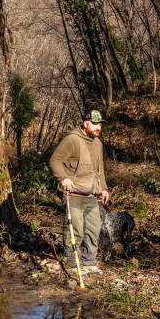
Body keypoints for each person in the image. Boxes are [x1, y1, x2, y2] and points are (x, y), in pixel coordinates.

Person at [49, 110, 110, 275]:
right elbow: (55, 161)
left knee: (93, 229)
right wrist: (63, 178)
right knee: (75, 230)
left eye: (100, 124)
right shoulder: (72, 140)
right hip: (74, 193)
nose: (98, 128)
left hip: (91, 194)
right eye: (95, 124)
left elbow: (100, 170)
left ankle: (89, 262)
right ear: (86, 123)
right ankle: (74, 263)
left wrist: (103, 188)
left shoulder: (98, 143)